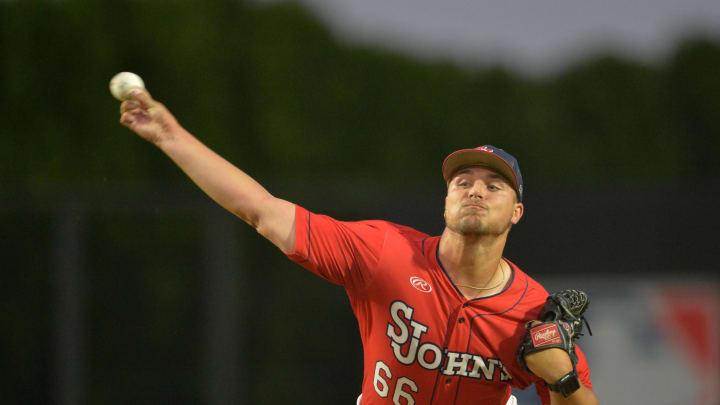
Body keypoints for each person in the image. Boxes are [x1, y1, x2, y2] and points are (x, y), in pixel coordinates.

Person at [119, 88, 598, 405]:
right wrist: (169, 135)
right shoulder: (385, 253)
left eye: (494, 186)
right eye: (463, 181)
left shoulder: (534, 313)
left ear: (517, 212)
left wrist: (563, 380)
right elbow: (263, 211)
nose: (475, 190)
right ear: (446, 199)